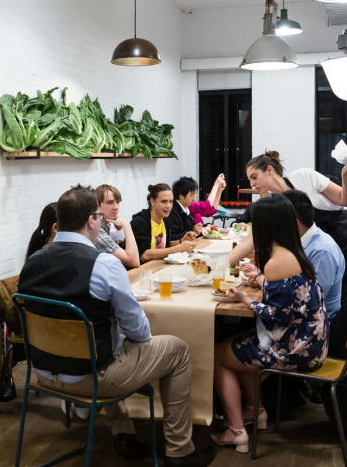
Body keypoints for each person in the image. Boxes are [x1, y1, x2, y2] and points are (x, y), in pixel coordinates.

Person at [18, 186, 214, 467]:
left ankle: (123, 433)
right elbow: (140, 333)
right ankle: (180, 451)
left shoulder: (31, 263)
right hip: (92, 378)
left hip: (42, 373)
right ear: (91, 220)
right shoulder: (104, 264)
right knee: (176, 350)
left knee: (104, 345)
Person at [230, 150, 347, 409]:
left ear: (270, 170)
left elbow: (346, 200)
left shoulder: (304, 178)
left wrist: (346, 175)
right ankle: (309, 383)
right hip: (325, 248)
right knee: (343, 304)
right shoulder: (271, 201)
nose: (252, 184)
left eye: (254, 177)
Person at [210, 195, 328, 454]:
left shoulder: (276, 262)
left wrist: (244, 298)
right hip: (313, 342)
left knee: (217, 355)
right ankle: (256, 411)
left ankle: (237, 432)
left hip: (297, 350)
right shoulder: (292, 252)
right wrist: (262, 279)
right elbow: (292, 297)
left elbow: (277, 318)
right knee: (236, 346)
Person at [281, 189, 344, 318]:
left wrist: (262, 281)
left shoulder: (322, 251)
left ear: (294, 222)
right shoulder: (304, 240)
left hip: (314, 326)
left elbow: (309, 302)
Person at [131, 184, 198, 263]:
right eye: (164, 201)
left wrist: (181, 241)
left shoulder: (165, 219)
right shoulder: (139, 222)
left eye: (170, 202)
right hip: (143, 271)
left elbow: (165, 245)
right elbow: (144, 255)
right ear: (152, 201)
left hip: (159, 266)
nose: (169, 206)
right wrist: (178, 248)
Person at [94, 184, 140, 269]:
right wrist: (127, 225)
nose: (116, 207)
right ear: (97, 205)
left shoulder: (104, 224)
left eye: (117, 202)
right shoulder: (96, 231)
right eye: (110, 202)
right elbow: (134, 261)